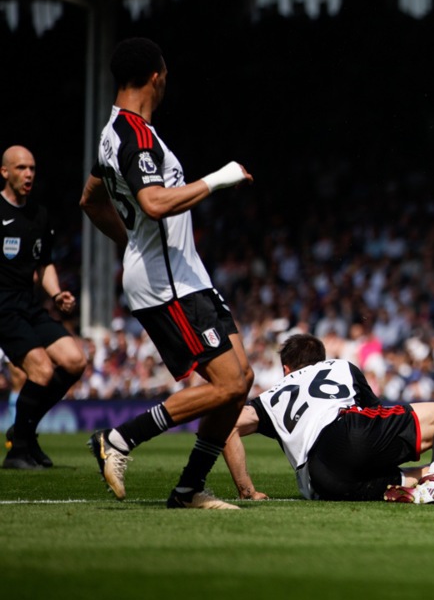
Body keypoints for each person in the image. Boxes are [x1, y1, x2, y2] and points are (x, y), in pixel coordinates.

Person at [79, 37, 255, 509]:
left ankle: (190, 488)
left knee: (242, 378)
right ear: (158, 76)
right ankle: (118, 439)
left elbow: (90, 200)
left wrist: (131, 241)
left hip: (183, 274)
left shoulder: (113, 133)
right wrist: (219, 179)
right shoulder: (135, 135)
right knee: (226, 385)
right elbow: (153, 204)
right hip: (166, 281)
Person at [222, 333, 434, 504]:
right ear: (321, 359)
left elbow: (227, 427)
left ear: (285, 368)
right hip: (347, 433)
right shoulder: (339, 367)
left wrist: (247, 490)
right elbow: (373, 412)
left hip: (322, 483)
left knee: (432, 475)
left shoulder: (271, 397)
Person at [1, 145, 88, 470]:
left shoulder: (39, 214)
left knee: (75, 361)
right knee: (41, 370)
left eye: (32, 169)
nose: (28, 175)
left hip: (30, 304)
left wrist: (56, 295)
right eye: (21, 168)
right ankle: (18, 449)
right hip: (4, 308)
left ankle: (23, 430)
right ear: (5, 172)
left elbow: (45, 264)